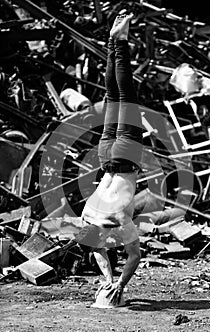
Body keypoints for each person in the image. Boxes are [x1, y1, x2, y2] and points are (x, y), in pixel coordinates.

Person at [76, 13, 143, 306]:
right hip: (105, 157)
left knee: (125, 94)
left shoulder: (118, 222)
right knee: (112, 95)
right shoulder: (88, 219)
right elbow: (97, 253)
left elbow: (135, 256)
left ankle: (121, 41)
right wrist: (107, 279)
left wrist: (119, 284)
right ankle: (112, 41)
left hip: (125, 156)